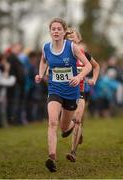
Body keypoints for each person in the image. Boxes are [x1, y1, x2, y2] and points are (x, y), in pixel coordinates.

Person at [35, 18, 92, 172]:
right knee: (52, 122)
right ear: (50, 31)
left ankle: (74, 127)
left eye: (59, 29)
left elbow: (88, 65)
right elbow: (43, 61)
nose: (56, 31)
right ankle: (51, 157)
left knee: (64, 127)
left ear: (64, 31)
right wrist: (40, 74)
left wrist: (79, 77)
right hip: (54, 90)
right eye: (53, 29)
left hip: (71, 91)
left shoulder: (72, 47)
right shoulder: (46, 47)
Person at [65, 27, 100, 162]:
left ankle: (73, 152)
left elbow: (96, 66)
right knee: (68, 123)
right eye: (67, 36)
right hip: (64, 93)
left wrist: (93, 80)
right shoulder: (62, 55)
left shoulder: (83, 54)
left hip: (80, 91)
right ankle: (78, 131)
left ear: (79, 39)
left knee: (78, 119)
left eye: (72, 35)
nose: (70, 37)